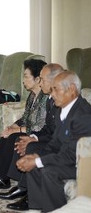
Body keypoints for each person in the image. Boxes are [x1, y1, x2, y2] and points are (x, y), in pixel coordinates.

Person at [16, 70, 91, 212]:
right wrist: (37, 156)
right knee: (34, 162)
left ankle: (54, 210)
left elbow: (70, 156)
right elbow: (55, 143)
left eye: (56, 89)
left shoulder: (83, 115)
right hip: (68, 158)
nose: (52, 94)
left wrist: (38, 161)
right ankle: (37, 208)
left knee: (49, 171)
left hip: (81, 164)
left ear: (72, 89)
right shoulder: (62, 110)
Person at [0, 64, 64, 211]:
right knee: (24, 140)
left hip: (58, 145)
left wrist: (30, 136)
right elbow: (45, 128)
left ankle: (25, 190)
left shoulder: (53, 100)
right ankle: (13, 182)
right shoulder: (48, 99)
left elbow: (48, 129)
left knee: (26, 143)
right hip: (45, 136)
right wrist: (28, 134)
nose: (40, 82)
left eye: (42, 79)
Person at [0, 59, 48, 190]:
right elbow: (25, 117)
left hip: (39, 133)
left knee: (12, 138)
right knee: (6, 135)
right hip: (29, 128)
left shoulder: (45, 98)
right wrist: (12, 127)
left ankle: (3, 178)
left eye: (26, 77)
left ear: (38, 79)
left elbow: (39, 126)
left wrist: (17, 130)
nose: (23, 80)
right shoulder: (32, 96)